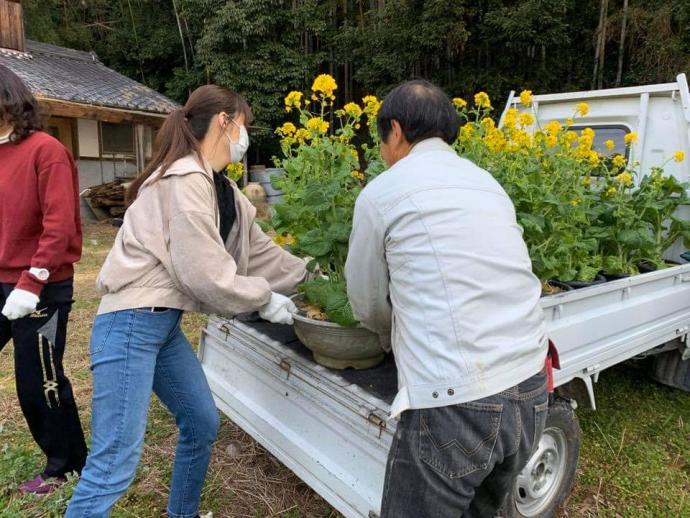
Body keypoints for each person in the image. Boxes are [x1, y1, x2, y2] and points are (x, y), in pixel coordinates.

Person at [66, 84, 306, 518]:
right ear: (224, 122)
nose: (244, 137)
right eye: (244, 126)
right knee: (112, 465)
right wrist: (262, 297)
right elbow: (203, 273)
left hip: (160, 326)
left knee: (200, 422)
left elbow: (261, 252)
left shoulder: (222, 189)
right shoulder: (182, 181)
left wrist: (313, 277)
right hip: (130, 325)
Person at [345, 80, 549, 518]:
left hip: (457, 401)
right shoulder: (487, 183)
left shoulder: (383, 192)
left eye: (381, 139)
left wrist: (386, 336)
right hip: (532, 385)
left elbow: (366, 302)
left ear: (395, 130)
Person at [0, 65, 88, 495]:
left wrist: (31, 281)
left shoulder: (46, 150)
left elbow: (60, 226)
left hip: (41, 284)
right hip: (0, 278)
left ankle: (66, 466)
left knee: (38, 380)